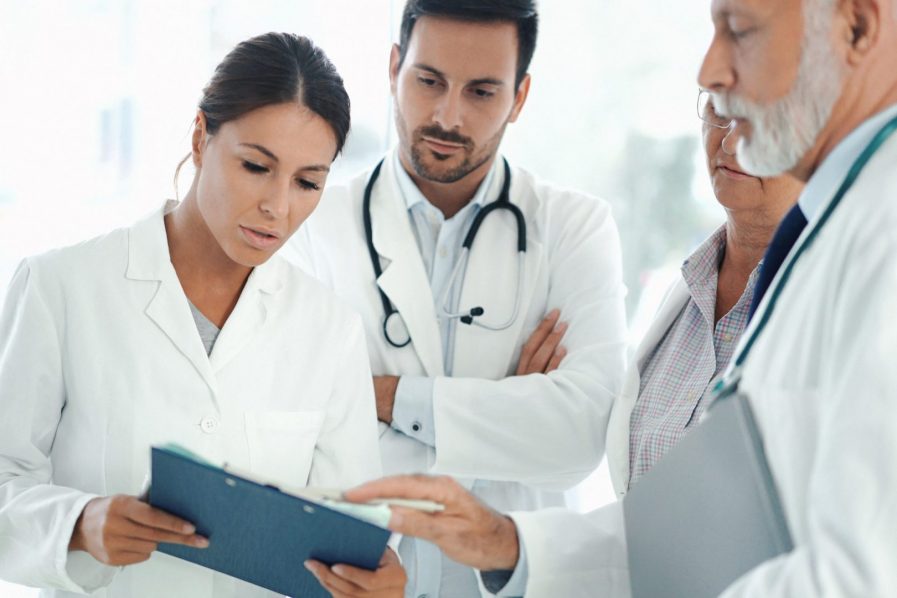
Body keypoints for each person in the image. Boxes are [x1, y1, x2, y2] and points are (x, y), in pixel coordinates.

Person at [347, 0, 897, 595]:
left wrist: (378, 396)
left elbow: (856, 573)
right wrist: (505, 541)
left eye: (739, 30)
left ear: (857, 27)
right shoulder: (741, 268)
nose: (709, 70)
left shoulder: (878, 234)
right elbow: (674, 534)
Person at [0, 33, 394, 597]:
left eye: (308, 182)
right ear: (200, 136)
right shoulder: (61, 287)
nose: (278, 206)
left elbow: (352, 525)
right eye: (257, 166)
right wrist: (79, 525)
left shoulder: (330, 330)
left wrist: (373, 576)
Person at [287, 1, 628, 596]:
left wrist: (379, 398)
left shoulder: (575, 228)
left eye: (482, 93)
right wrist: (511, 407)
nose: (448, 116)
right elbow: (293, 430)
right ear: (394, 67)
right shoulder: (314, 224)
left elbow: (580, 436)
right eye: (428, 81)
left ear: (519, 98)